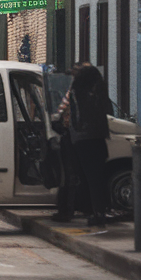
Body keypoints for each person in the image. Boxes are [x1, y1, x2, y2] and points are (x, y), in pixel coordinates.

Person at [68, 64, 112, 227]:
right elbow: (109, 111)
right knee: (97, 177)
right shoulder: (97, 94)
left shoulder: (77, 92)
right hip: (97, 138)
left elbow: (75, 117)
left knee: (88, 177)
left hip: (81, 139)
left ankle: (94, 211)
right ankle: (99, 211)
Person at [51, 63, 89, 223]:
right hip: (80, 138)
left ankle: (68, 210)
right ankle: (73, 209)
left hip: (73, 137)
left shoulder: (75, 92)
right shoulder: (85, 91)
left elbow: (59, 114)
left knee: (69, 176)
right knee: (75, 175)